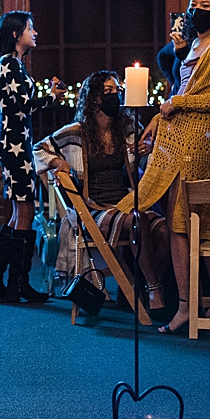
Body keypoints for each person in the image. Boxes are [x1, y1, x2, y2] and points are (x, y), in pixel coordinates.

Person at [119, 0, 210, 331]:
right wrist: (160, 119)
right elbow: (180, 90)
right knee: (198, 220)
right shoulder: (194, 43)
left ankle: (187, 306)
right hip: (178, 134)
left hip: (201, 140)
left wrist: (177, 103)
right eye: (193, 4)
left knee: (181, 223)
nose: (197, 10)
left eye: (205, 5)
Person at [40, 69, 169, 305]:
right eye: (108, 91)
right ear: (95, 98)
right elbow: (39, 149)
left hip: (126, 202)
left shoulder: (127, 127)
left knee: (163, 232)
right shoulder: (77, 132)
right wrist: (59, 162)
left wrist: (145, 152)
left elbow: (146, 163)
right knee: (138, 221)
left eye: (117, 90)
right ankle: (153, 289)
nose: (115, 95)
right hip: (95, 208)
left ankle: (133, 285)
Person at [0, 8, 48, 305]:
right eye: (30, 28)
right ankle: (17, 283)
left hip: (16, 142)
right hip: (14, 144)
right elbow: (22, 105)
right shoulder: (9, 64)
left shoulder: (15, 65)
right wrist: (51, 97)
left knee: (19, 212)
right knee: (26, 210)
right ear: (15, 34)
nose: (35, 33)